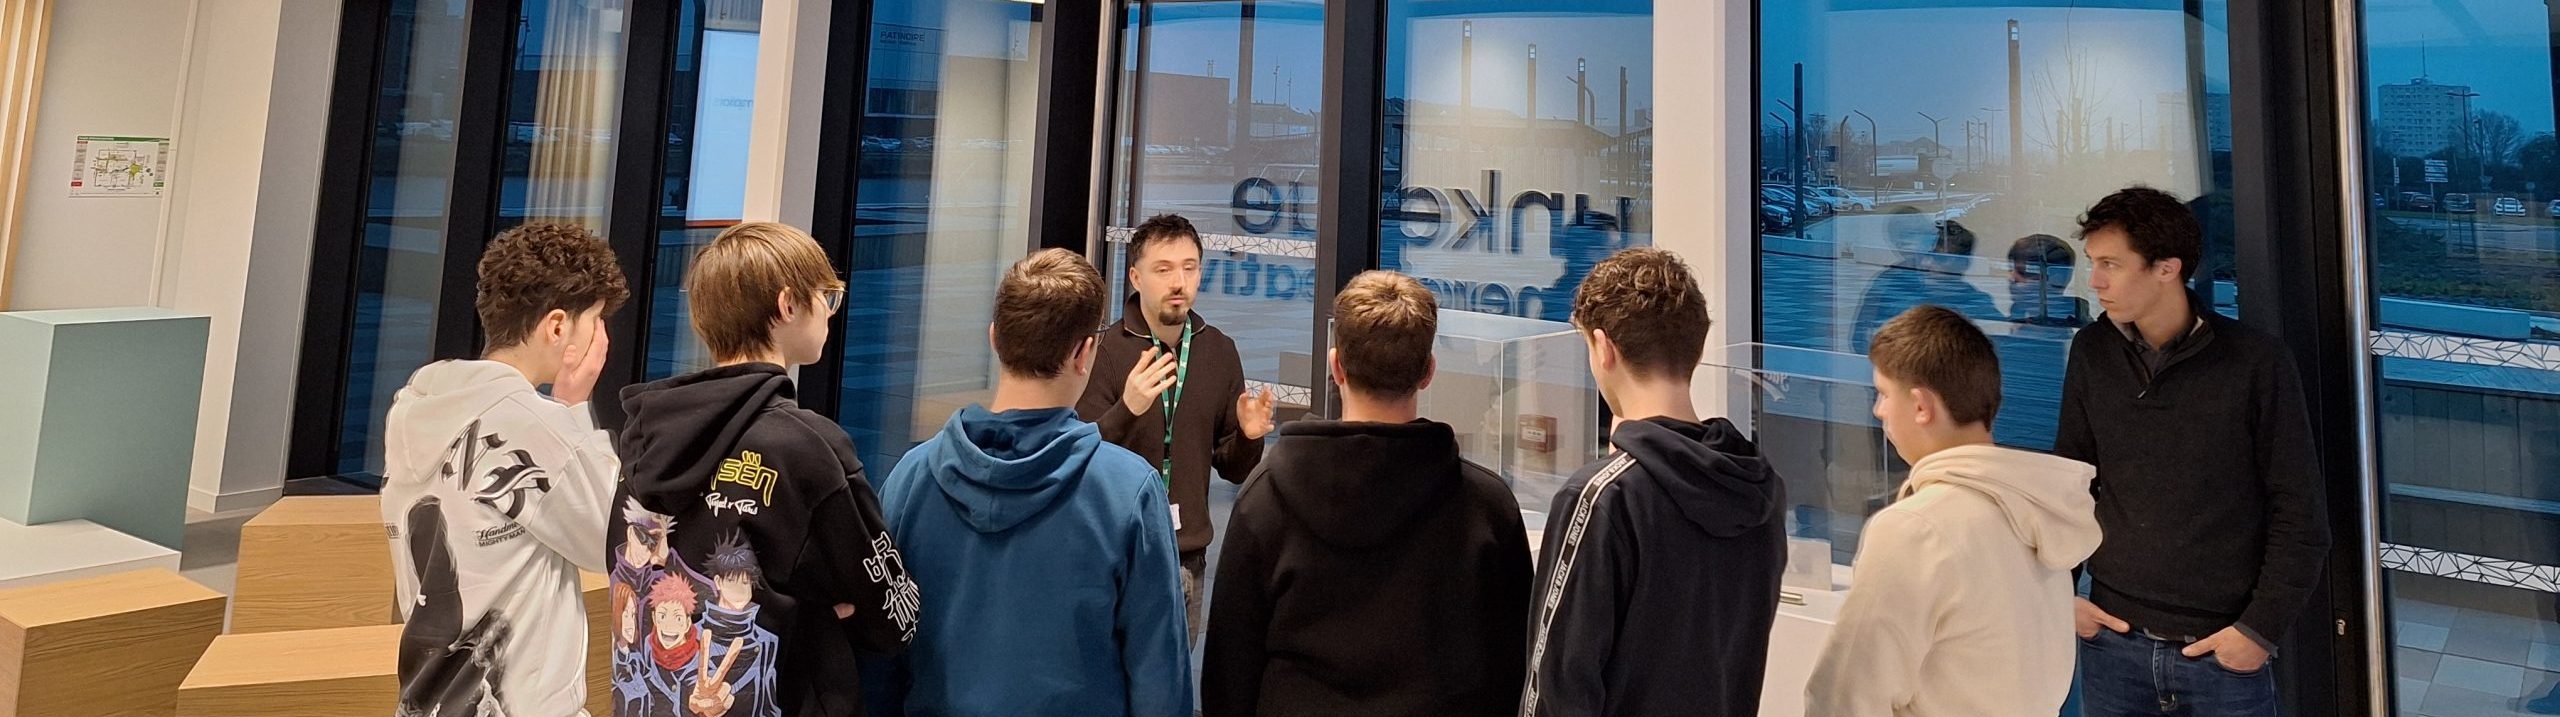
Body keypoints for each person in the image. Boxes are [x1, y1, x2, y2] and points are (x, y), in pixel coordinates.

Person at [608, 221, 919, 717]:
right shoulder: (806, 447)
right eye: (827, 298)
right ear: (787, 305)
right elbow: (891, 615)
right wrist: (818, 615)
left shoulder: (642, 439)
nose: (830, 313)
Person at [872, 249, 1189, 716]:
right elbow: (1158, 680)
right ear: (1084, 353)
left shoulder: (909, 479)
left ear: (994, 338)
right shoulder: (1129, 492)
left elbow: (877, 659)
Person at [1201, 270, 1530, 716]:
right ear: (1428, 372)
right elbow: (1513, 668)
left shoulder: (1265, 498)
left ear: (1336, 366)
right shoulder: (1489, 507)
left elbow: (1229, 673)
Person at [2058, 186, 2328, 717]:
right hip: (2112, 641)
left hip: (2220, 651)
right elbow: (2069, 485)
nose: (2094, 281)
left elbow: (2300, 512)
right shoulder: (2092, 350)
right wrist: (2060, 598)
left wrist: (2259, 631)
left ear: (2167, 268)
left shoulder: (2255, 362)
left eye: (2111, 264)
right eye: (2093, 262)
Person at [1522, 247, 1786, 717]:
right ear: (1696, 349)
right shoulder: (1760, 489)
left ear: (1603, 348)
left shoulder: (1602, 497)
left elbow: (1556, 689)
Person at [1805, 305, 2102, 716]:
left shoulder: (1914, 529)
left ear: (1921, 406)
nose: (1878, 410)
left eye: (1884, 394)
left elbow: (1844, 698)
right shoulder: (2041, 510)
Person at [381, 222, 626, 717]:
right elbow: (613, 540)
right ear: (557, 328)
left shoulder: (414, 407)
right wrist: (574, 408)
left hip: (429, 697)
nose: (602, 338)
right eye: (595, 321)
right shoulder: (532, 423)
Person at [1076, 213, 1277, 641]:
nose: (1179, 282)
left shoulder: (1219, 351)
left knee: (1175, 677)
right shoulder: (1105, 351)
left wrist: (1248, 437)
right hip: (1115, 552)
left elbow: (1233, 469)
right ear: (1136, 277)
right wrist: (1127, 409)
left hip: (1188, 557)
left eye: (1189, 267)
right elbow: (1081, 457)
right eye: (1163, 269)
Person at [1852, 215, 2000, 353]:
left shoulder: (1979, 306)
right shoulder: (1892, 286)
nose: (1926, 263)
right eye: (1925, 255)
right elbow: (1861, 337)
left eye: (1940, 258)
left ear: (1963, 263)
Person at [2005, 234, 2087, 327]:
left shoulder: (2073, 324)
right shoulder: (2019, 313)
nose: (2011, 278)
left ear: (2056, 280)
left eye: (2022, 272)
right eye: (2010, 269)